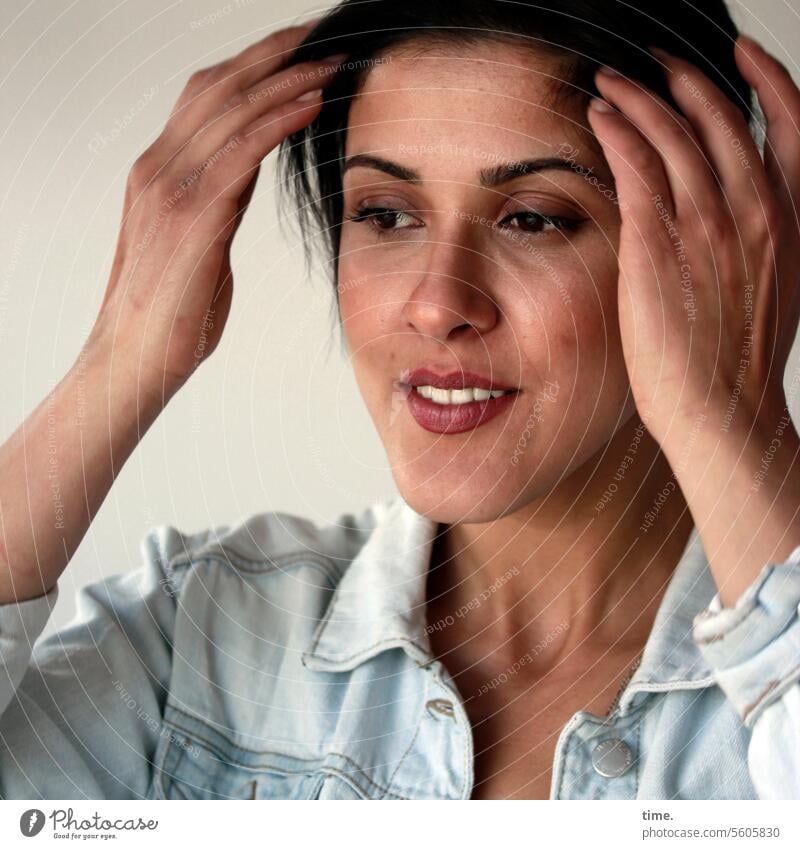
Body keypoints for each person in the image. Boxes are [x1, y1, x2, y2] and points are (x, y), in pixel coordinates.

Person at [1, 0, 800, 800]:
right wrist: (121, 357)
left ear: (718, 253)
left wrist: (729, 417)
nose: (436, 303)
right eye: (385, 213)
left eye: (533, 219)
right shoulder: (200, 642)